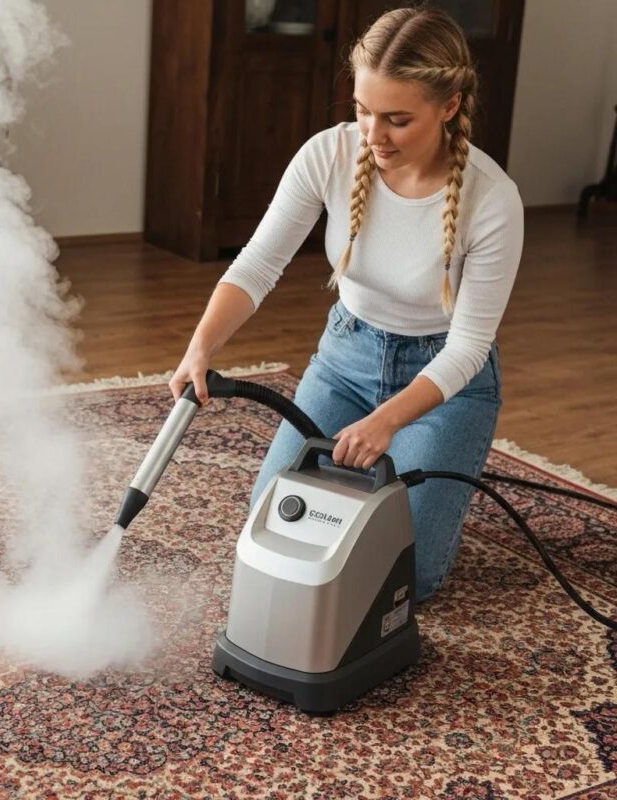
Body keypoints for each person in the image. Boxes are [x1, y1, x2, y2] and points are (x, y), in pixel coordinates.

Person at [168, 6, 524, 604]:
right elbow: (256, 265)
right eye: (362, 110)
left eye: (397, 119)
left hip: (444, 384)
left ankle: (433, 491)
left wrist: (387, 422)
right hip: (345, 362)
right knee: (274, 530)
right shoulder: (327, 155)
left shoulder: (492, 201)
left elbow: (468, 347)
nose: (373, 135)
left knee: (405, 578)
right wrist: (200, 347)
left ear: (450, 106)